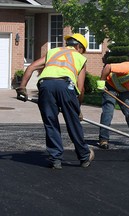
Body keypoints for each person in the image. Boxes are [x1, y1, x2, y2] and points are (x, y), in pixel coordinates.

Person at [15, 33, 94, 169]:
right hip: (66, 86)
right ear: (79, 47)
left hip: (46, 86)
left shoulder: (53, 52)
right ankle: (84, 156)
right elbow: (80, 89)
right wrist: (77, 109)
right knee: (73, 123)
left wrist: (22, 87)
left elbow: (31, 67)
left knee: (51, 123)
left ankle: (55, 159)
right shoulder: (80, 58)